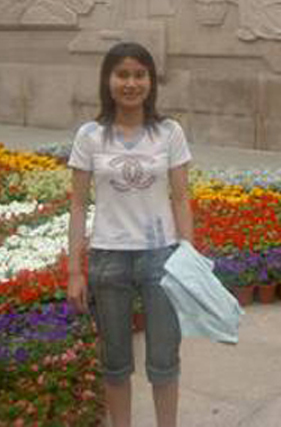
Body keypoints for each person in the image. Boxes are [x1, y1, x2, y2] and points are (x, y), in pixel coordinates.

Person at [67, 42, 193, 427]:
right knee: (116, 363)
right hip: (108, 259)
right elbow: (78, 205)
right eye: (122, 74)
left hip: (161, 257)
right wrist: (74, 271)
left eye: (140, 75)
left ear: (151, 81)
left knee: (164, 360)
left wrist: (188, 258)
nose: (131, 83)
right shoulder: (90, 136)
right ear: (107, 80)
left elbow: (181, 198)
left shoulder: (169, 132)